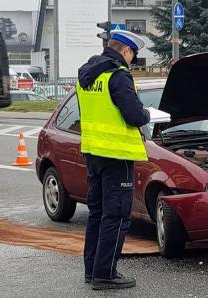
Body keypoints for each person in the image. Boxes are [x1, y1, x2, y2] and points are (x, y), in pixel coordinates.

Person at [76, 30, 150, 290]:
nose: (132, 61)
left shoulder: (87, 73)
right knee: (116, 216)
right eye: (133, 56)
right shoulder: (118, 76)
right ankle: (105, 274)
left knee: (97, 213)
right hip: (117, 156)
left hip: (93, 153)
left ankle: (92, 269)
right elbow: (134, 115)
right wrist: (147, 114)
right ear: (127, 51)